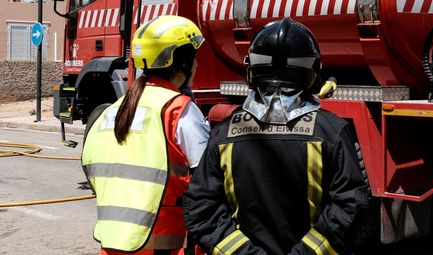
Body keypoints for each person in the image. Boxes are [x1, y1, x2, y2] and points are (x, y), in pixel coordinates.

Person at [183, 18, 370, 255]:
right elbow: (351, 208)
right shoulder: (331, 131)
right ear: (312, 71)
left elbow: (202, 209)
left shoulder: (224, 133)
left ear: (252, 70)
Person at [81, 15, 210, 255]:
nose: (196, 65)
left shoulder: (114, 109)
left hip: (113, 244)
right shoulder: (178, 109)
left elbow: (91, 168)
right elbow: (208, 179)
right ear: (182, 61)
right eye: (194, 57)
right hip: (163, 245)